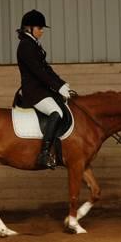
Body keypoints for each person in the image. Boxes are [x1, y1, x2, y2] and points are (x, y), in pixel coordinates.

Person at [15, 9, 74, 169]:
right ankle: (44, 153)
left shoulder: (33, 44)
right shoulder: (26, 46)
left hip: (42, 90)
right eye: (39, 28)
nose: (41, 31)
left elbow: (46, 69)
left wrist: (61, 84)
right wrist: (57, 86)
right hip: (34, 92)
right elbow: (38, 72)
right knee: (57, 112)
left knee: (63, 106)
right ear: (29, 28)